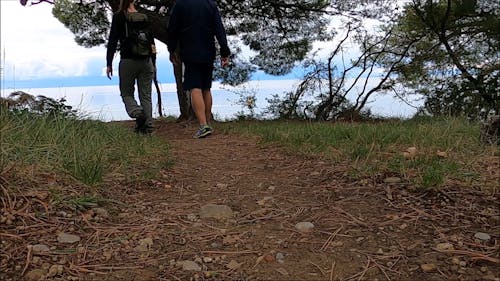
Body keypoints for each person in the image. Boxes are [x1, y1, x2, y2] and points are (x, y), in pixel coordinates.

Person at [167, 0, 230, 138]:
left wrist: (172, 49)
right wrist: (224, 52)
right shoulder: (210, 4)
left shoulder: (181, 5)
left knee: (195, 87)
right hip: (208, 50)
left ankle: (203, 126)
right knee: (206, 87)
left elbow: (172, 29)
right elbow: (219, 29)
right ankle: (207, 123)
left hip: (190, 50)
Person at [106, 0, 156, 134]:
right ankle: (148, 126)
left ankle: (137, 113)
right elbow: (151, 40)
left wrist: (109, 63)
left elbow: (112, 40)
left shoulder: (119, 16)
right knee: (146, 95)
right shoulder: (144, 16)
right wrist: (153, 61)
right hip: (146, 61)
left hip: (128, 60)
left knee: (126, 93)